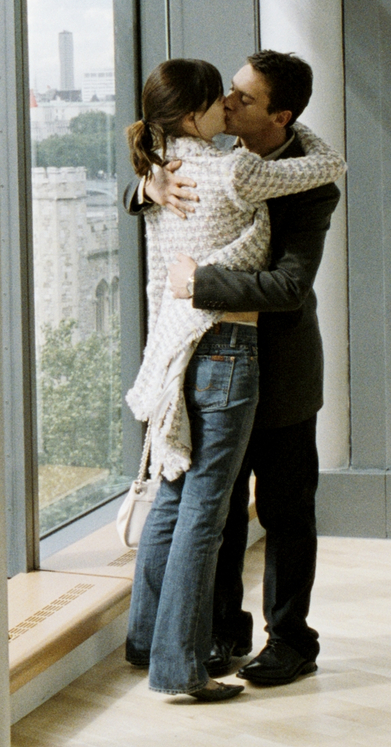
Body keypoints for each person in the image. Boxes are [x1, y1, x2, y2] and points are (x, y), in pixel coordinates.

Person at [119, 58, 345, 702]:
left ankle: (290, 641)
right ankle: (215, 635)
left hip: (277, 370)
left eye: (243, 98)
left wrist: (198, 283)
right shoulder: (212, 158)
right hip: (217, 357)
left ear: (281, 116)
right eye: (225, 94)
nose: (228, 102)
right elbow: (147, 172)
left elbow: (290, 286)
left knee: (282, 512)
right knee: (211, 512)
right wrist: (145, 188)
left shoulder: (301, 183)